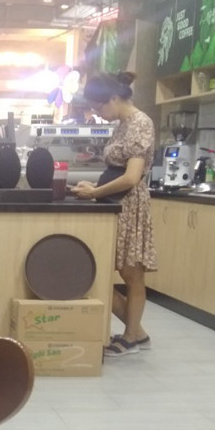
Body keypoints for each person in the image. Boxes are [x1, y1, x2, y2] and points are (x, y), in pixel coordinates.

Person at [70, 72, 157, 356]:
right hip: (114, 202)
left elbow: (131, 177)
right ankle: (138, 332)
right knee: (109, 272)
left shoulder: (141, 123)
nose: (98, 113)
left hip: (130, 205)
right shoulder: (122, 124)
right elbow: (117, 171)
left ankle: (131, 337)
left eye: (99, 107)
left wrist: (96, 192)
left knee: (132, 274)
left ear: (115, 98)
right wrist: (95, 187)